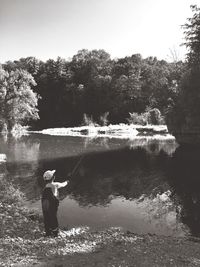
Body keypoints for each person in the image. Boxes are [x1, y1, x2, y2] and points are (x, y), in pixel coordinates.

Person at [41, 170, 69, 237]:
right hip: (52, 204)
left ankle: (48, 232)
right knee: (53, 216)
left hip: (44, 203)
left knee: (46, 216)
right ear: (53, 177)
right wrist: (67, 181)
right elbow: (63, 184)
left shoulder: (45, 187)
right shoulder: (55, 184)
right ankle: (55, 233)